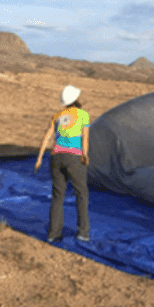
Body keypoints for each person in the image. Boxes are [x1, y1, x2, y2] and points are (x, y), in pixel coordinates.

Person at [34, 85, 90, 242]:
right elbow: (85, 138)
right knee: (81, 194)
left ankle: (53, 234)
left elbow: (47, 137)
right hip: (74, 157)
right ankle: (83, 233)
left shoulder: (58, 116)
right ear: (76, 99)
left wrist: (39, 159)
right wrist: (85, 155)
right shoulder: (83, 115)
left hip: (56, 158)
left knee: (58, 196)